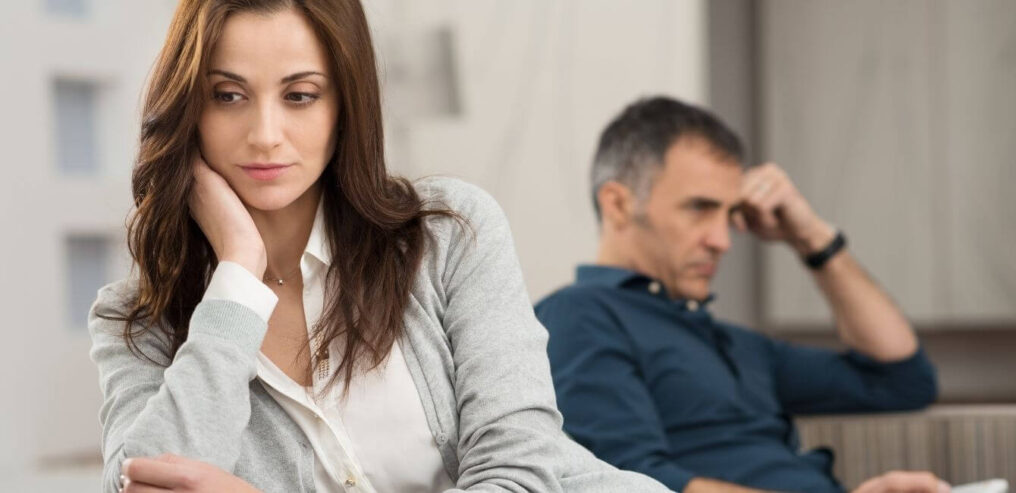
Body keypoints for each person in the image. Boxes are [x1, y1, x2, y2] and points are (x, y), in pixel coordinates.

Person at [88, 1, 670, 492]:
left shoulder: (451, 232)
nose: (265, 135)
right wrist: (239, 271)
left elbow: (519, 471)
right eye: (228, 95)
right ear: (190, 108)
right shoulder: (136, 320)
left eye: (300, 96)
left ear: (346, 105)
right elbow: (148, 481)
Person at [535, 97, 948, 493]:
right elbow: (633, 482)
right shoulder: (578, 316)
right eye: (700, 208)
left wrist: (811, 238)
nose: (723, 240)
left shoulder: (736, 343)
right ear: (618, 204)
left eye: (730, 215)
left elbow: (901, 379)